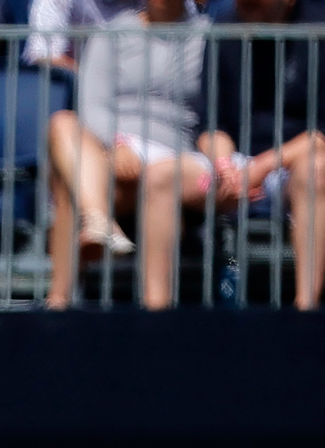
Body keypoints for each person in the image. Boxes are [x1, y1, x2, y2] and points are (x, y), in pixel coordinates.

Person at [199, 0, 325, 310]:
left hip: (323, 161)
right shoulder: (225, 29)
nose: (247, 4)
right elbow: (211, 126)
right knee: (168, 176)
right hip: (241, 160)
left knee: (314, 172)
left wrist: (262, 167)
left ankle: (305, 310)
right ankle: (157, 319)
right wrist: (225, 167)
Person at [42, 0, 210, 309]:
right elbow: (92, 105)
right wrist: (119, 143)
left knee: (71, 186)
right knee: (63, 124)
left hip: (173, 153)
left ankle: (149, 309)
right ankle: (95, 225)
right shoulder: (113, 32)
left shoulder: (207, 35)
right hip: (114, 150)